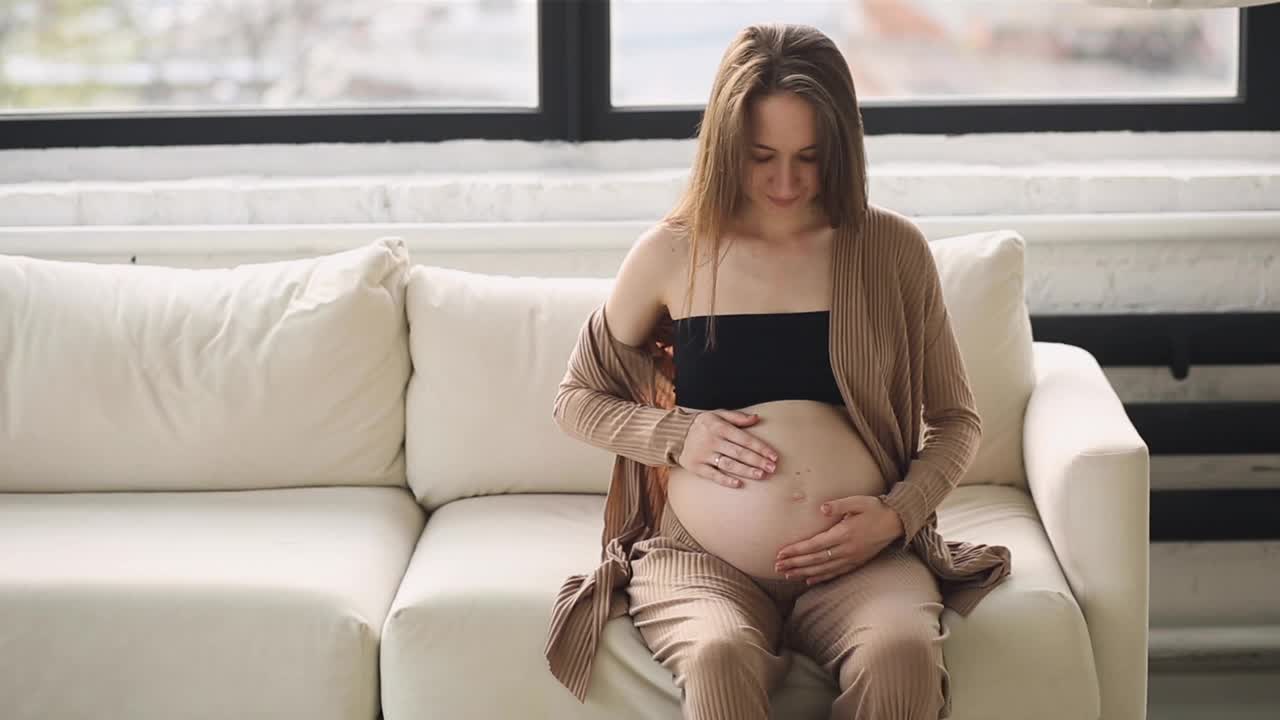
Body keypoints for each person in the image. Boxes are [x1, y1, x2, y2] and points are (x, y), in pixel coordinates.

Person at [545, 23, 1012, 720]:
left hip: (861, 560)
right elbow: (576, 399)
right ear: (726, 148)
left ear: (842, 152)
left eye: (810, 158)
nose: (787, 183)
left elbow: (955, 423)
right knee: (718, 656)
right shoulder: (674, 251)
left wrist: (894, 517)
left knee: (901, 656)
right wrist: (680, 436)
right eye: (762, 157)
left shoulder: (891, 249)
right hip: (702, 561)